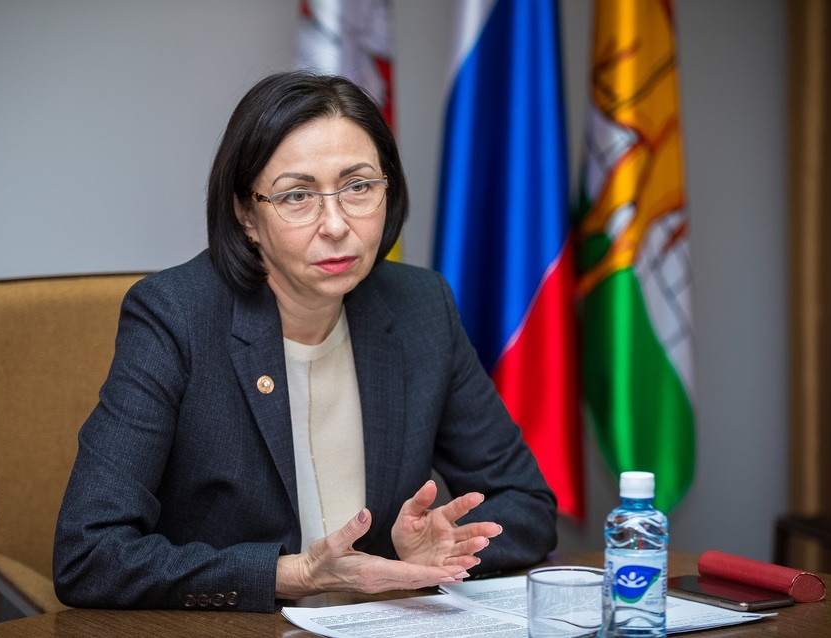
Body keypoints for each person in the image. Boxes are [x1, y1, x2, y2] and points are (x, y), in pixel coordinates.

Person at [53, 71, 557, 613]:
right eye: (297, 196)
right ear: (246, 214)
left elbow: (527, 504)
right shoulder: (176, 316)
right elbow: (89, 554)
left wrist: (433, 550)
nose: (336, 225)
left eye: (358, 187)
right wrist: (291, 574)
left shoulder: (420, 307)